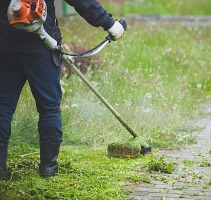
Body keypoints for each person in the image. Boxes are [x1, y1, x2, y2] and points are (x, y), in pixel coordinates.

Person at [0, 0, 125, 180]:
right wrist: (110, 24)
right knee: (49, 108)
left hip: (5, 46)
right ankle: (49, 170)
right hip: (40, 49)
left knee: (2, 108)